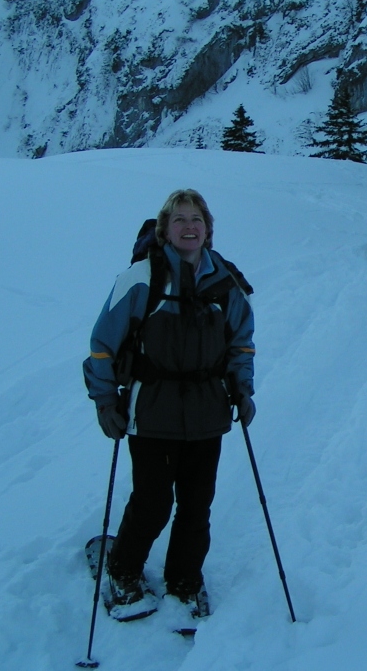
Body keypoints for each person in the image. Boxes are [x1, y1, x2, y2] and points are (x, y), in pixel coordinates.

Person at [83, 189, 255, 618]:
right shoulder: (140, 279)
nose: (189, 226)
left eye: (197, 219)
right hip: (151, 410)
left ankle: (184, 580)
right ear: (165, 229)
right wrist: (105, 401)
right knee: (153, 502)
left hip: (207, 410)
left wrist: (243, 388)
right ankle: (123, 570)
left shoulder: (225, 280)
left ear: (208, 228)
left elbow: (241, 342)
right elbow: (103, 344)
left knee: (197, 505)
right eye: (179, 219)